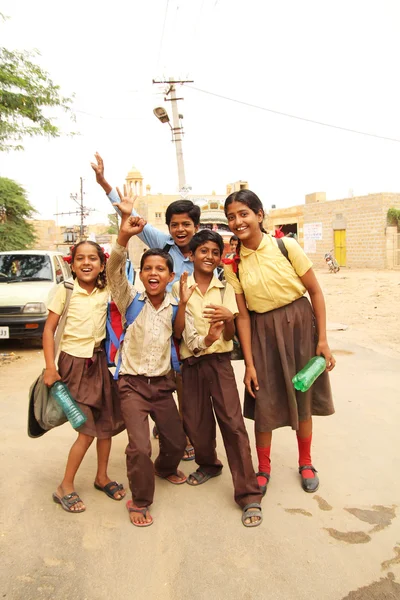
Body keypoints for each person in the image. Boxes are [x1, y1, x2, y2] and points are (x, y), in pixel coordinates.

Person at [223, 190, 335, 496]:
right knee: (264, 400)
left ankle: (306, 462)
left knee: (304, 395)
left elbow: (315, 291)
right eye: (231, 216)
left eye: (244, 213)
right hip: (261, 333)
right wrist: (249, 364)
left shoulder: (286, 246)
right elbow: (243, 317)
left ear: (259, 215)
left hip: (300, 326)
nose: (238, 221)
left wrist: (322, 340)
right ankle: (264, 468)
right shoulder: (233, 266)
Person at [91, 153, 199, 462]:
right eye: (175, 225)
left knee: (185, 386)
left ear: (196, 226)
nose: (180, 231)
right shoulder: (161, 244)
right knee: (161, 375)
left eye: (186, 225)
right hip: (157, 323)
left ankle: (179, 432)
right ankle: (166, 427)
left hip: (186, 325)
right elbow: (130, 214)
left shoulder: (204, 250)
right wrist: (104, 183)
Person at [172, 229, 263, 527]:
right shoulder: (179, 287)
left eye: (215, 252)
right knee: (196, 422)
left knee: (233, 424)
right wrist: (185, 304)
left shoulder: (224, 287)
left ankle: (249, 494)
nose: (210, 257)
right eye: (203, 251)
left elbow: (230, 335)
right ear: (191, 255)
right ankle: (209, 464)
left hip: (220, 362)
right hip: (191, 363)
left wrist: (228, 319)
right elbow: (176, 333)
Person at [106, 200, 187, 527]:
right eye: (148, 269)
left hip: (162, 386)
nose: (153, 273)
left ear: (170, 276)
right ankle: (139, 500)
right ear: (141, 274)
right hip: (132, 387)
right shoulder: (130, 301)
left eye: (160, 270)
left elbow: (189, 338)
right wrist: (123, 238)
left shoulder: (175, 306)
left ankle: (165, 468)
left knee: (177, 442)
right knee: (139, 447)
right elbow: (113, 271)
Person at [43, 241, 125, 514]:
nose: (86, 263)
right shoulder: (65, 291)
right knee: (87, 430)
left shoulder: (106, 290)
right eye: (80, 259)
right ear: (72, 263)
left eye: (93, 259)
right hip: (73, 364)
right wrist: (50, 367)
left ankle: (101, 477)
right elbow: (49, 330)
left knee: (107, 423)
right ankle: (64, 486)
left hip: (99, 361)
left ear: (101, 265)